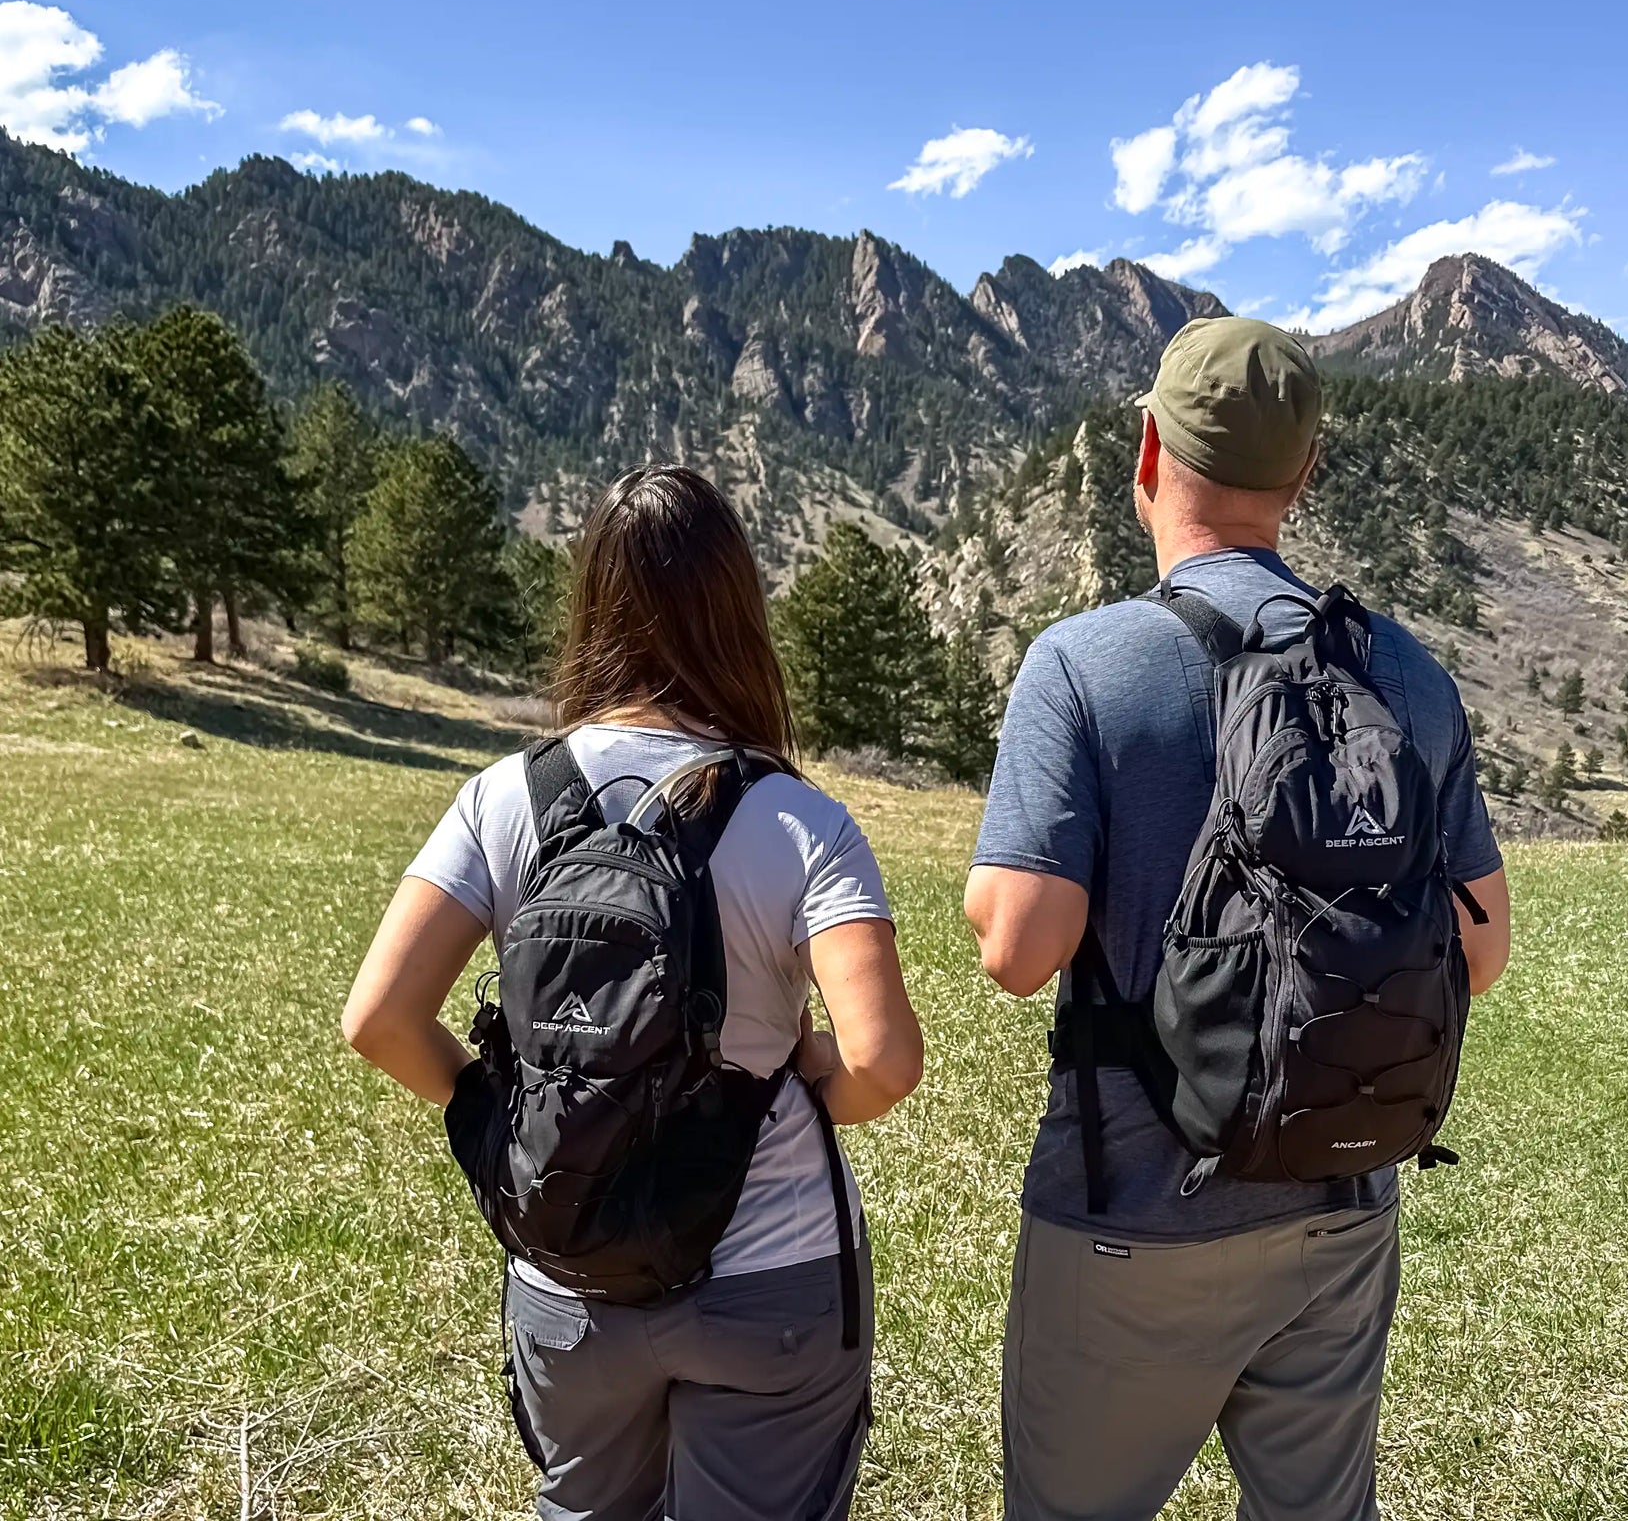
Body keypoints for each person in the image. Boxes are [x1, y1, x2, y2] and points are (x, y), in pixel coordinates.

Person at [966, 318, 1512, 1520]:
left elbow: (1017, 950)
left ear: (1148, 452)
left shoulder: (1083, 664)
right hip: (1343, 1203)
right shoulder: (1408, 675)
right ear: (1302, 476)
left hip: (1133, 1222)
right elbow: (1484, 946)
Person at [342, 464, 924, 1521]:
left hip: (568, 1271)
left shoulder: (501, 799)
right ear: (739, 614)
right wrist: (794, 1087)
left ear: (593, 604)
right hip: (772, 1277)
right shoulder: (803, 821)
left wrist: (496, 1111)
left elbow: (377, 1018)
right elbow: (883, 1062)